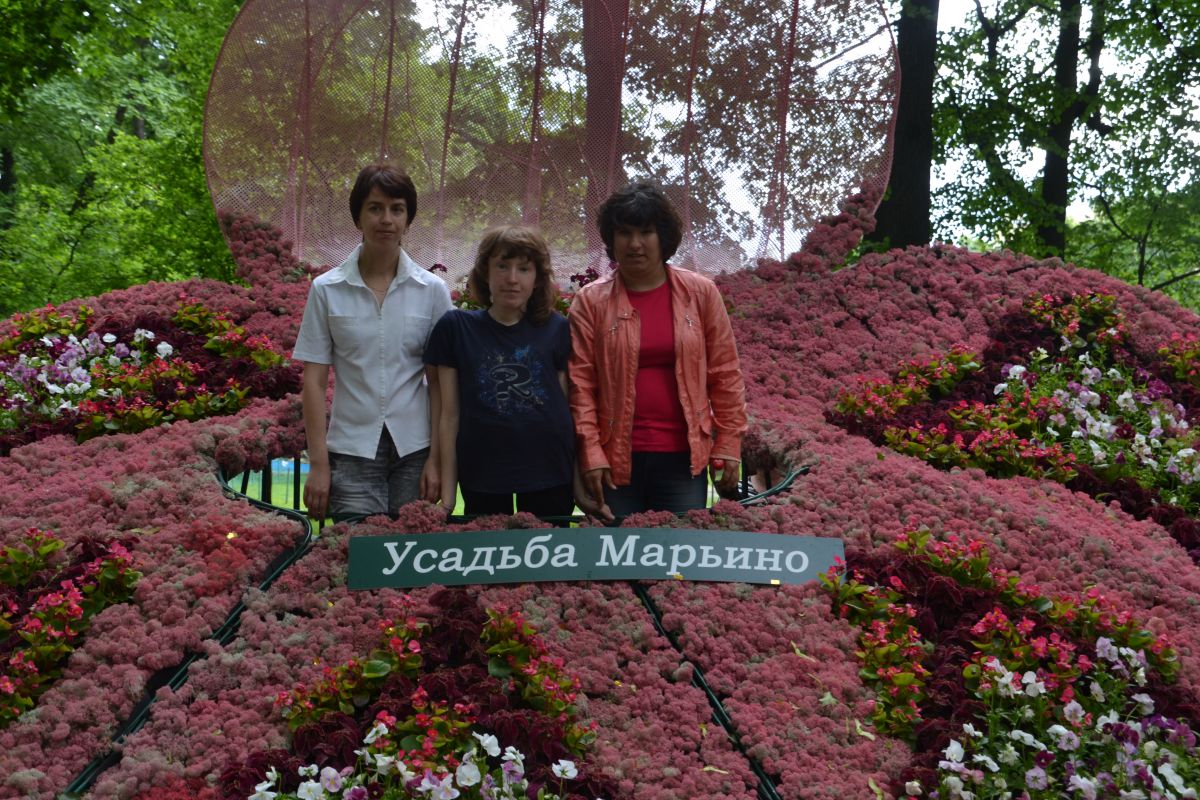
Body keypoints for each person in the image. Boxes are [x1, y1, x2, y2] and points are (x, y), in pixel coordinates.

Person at [568, 180, 747, 518]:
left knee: (679, 550)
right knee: (616, 550)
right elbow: (581, 386)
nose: (635, 244)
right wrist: (590, 452)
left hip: (682, 459)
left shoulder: (701, 294)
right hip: (614, 460)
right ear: (611, 240)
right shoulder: (590, 302)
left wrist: (728, 443)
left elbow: (725, 374)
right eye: (624, 233)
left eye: (646, 232)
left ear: (663, 237)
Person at [293, 164, 451, 520]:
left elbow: (442, 383)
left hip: (416, 450)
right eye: (375, 208)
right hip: (351, 451)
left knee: (410, 551)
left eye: (397, 209)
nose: (386, 220)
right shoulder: (327, 290)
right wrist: (319, 465)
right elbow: (314, 382)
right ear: (358, 217)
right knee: (356, 549)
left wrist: (437, 459)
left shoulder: (432, 291)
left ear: (408, 220)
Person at [423, 226, 578, 517]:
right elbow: (449, 416)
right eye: (502, 266)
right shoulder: (456, 328)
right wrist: (448, 499)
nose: (512, 278)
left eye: (524, 269)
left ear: (537, 278)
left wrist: (578, 484)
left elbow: (568, 411)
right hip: (483, 474)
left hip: (550, 472)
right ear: (485, 272)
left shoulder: (557, 328)